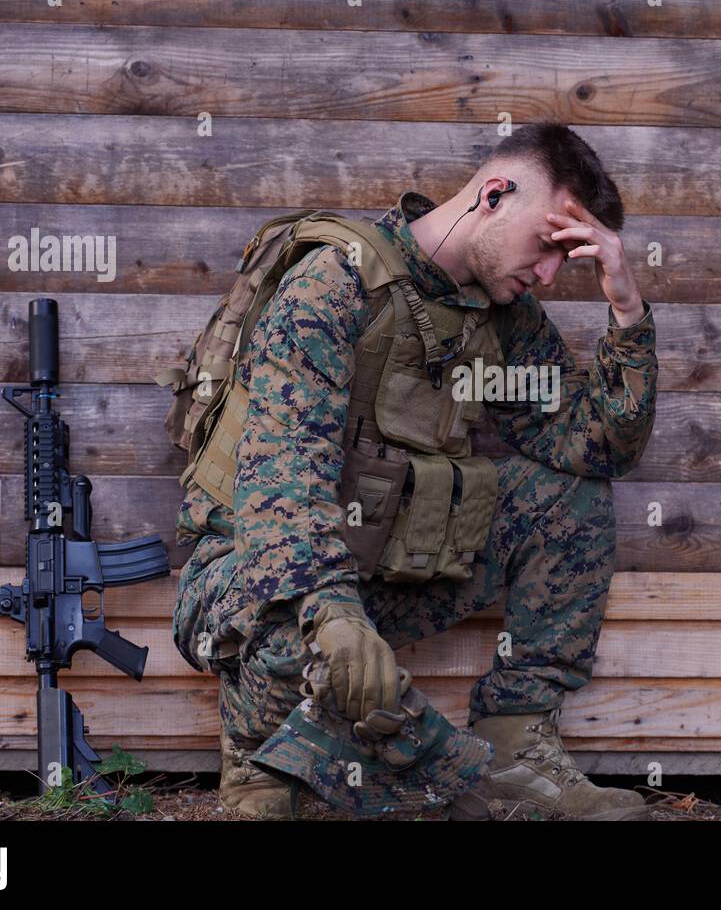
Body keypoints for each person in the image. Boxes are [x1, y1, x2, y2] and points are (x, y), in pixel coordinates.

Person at [172, 121, 658, 819]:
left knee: (568, 497)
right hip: (253, 575)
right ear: (493, 193)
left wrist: (626, 307)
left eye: (567, 260)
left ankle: (517, 749)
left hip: (390, 570)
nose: (550, 274)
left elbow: (596, 445)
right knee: (297, 635)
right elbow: (284, 487)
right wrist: (333, 618)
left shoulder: (501, 314)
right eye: (547, 246)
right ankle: (262, 759)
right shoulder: (333, 286)